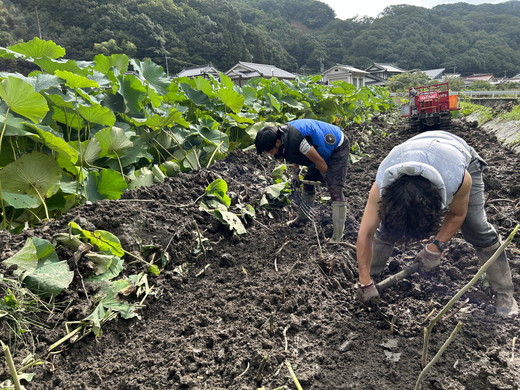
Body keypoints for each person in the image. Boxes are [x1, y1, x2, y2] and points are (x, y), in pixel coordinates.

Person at [355, 130, 518, 316]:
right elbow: (365, 234)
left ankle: (504, 293)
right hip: (414, 150)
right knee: (387, 228)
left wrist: (436, 246)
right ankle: (372, 276)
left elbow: (457, 214)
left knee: (476, 227)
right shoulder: (382, 185)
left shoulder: (457, 179)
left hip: (457, 156)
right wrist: (364, 280)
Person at [255, 119, 350, 242]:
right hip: (318, 150)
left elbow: (320, 162)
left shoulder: (298, 141)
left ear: (277, 142)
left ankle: (337, 237)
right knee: (308, 182)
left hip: (337, 146)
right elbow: (293, 154)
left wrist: (328, 180)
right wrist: (295, 174)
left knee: (335, 190)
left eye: (268, 151)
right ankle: (303, 218)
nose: (268, 154)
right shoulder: (283, 138)